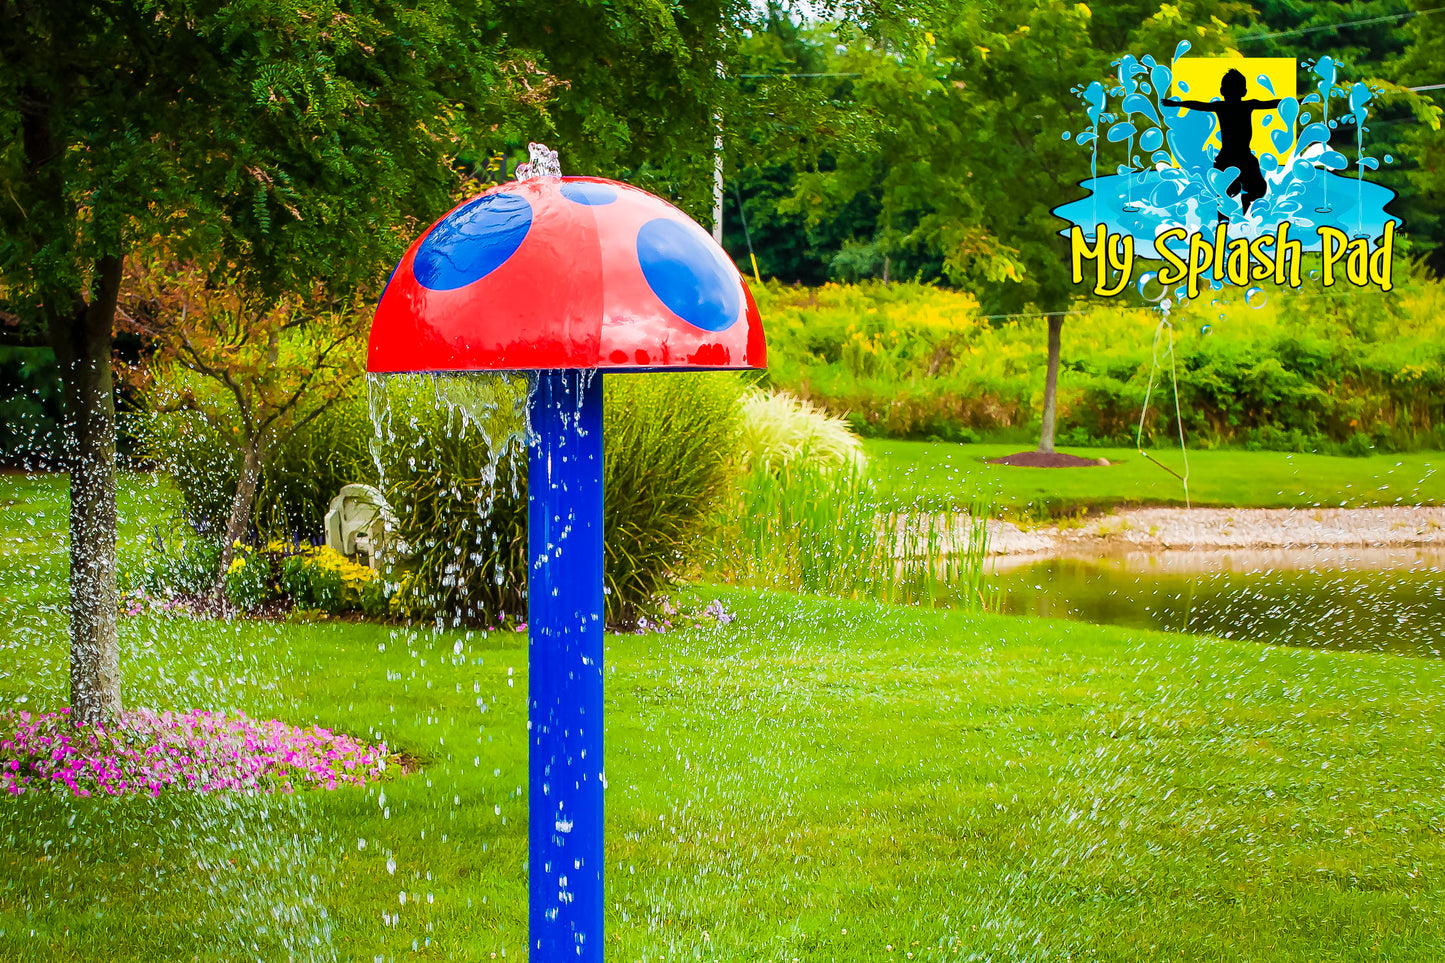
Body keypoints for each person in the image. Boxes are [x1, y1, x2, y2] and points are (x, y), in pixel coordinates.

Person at [1163, 68, 1280, 215]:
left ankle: (1227, 218)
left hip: (1229, 158)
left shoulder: (1222, 106)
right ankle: (1241, 207)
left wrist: (1177, 104)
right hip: (1241, 157)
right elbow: (1272, 103)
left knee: (1226, 194)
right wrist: (1296, 102)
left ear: (1222, 91)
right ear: (1244, 91)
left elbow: (1198, 105)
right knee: (1251, 190)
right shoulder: (1246, 105)